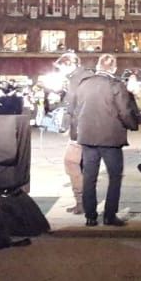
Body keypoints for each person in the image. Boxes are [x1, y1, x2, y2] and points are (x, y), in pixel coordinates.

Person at [73, 54, 140, 227]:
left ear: (98, 66)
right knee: (115, 177)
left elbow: (76, 109)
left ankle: (91, 216)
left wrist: (76, 133)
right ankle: (110, 215)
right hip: (111, 138)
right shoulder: (116, 85)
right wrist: (132, 125)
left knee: (89, 177)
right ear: (114, 67)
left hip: (88, 137)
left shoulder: (84, 84)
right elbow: (124, 111)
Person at [56, 51, 92, 215]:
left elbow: (74, 108)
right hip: (88, 128)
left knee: (71, 162)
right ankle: (85, 201)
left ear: (69, 64)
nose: (60, 72)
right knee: (83, 166)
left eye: (61, 67)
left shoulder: (76, 80)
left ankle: (81, 202)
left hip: (80, 129)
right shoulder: (86, 76)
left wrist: (69, 128)